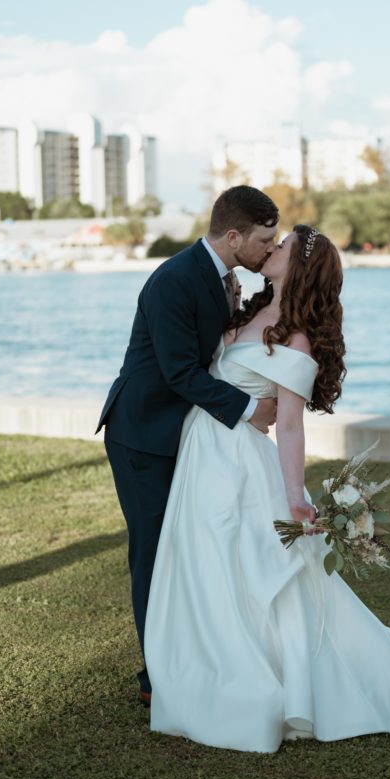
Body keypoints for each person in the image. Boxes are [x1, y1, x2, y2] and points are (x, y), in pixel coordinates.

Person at [144, 225, 390, 752]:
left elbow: (289, 425)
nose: (272, 249)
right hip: (204, 453)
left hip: (240, 464)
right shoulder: (244, 312)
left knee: (241, 563)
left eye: (281, 246)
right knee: (203, 562)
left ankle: (252, 679)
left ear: (301, 266)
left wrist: (295, 496)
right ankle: (201, 664)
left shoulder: (296, 336)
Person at [97, 186, 280, 706]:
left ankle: (191, 655)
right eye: (264, 240)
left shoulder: (225, 279)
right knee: (153, 554)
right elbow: (178, 371)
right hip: (144, 434)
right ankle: (156, 678)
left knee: (187, 550)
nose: (270, 249)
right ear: (232, 236)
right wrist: (251, 411)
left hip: (186, 435)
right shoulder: (173, 279)